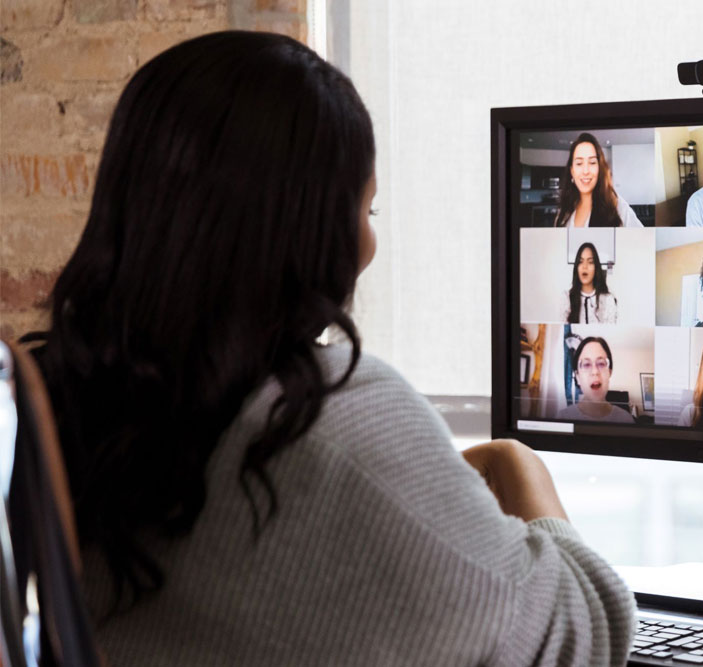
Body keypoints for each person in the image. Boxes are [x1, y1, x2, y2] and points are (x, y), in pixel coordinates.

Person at [22, 32, 634, 665]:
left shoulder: (59, 403)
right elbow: (585, 632)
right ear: (310, 227)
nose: (370, 248)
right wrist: (516, 466)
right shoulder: (333, 416)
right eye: (367, 210)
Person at [554, 132, 643, 227]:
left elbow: (643, 239)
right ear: (572, 171)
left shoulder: (616, 206)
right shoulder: (564, 210)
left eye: (592, 163)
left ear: (599, 168)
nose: (585, 171)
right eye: (579, 163)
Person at [557, 337, 635, 423]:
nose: (595, 372)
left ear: (609, 372)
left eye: (601, 363)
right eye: (586, 364)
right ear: (578, 377)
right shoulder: (562, 418)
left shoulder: (626, 420)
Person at [564, 242, 618, 323]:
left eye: (590, 262)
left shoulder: (608, 299)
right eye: (580, 261)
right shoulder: (567, 298)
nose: (584, 266)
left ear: (596, 267)